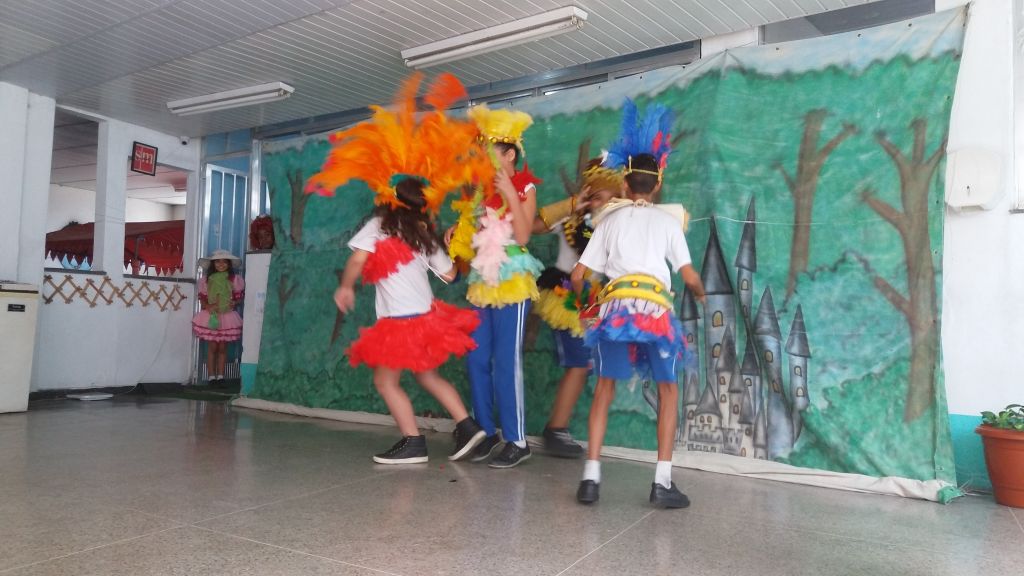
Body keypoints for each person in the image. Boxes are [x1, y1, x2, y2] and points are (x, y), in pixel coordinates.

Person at [306, 72, 494, 464]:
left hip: (399, 322)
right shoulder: (424, 235)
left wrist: (346, 287)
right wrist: (454, 247)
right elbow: (451, 276)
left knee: (385, 380)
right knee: (427, 374)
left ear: (390, 200)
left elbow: (357, 259)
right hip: (425, 318)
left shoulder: (379, 226)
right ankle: (469, 428)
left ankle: (413, 443)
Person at [571, 101, 706, 508]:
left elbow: (579, 275)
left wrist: (586, 305)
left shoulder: (609, 221)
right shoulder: (668, 222)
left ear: (626, 186)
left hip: (614, 312)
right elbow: (688, 275)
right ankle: (662, 483)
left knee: (604, 389)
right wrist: (700, 294)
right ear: (657, 184)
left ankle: (591, 478)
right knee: (668, 391)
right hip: (656, 313)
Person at [447, 104, 543, 468]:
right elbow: (472, 235)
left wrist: (510, 193)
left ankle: (517, 440)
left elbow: (523, 235)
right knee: (476, 357)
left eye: (490, 154)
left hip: (513, 279)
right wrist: (455, 234)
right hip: (482, 279)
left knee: (505, 361)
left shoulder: (525, 188)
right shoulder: (479, 193)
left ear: (509, 154)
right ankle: (485, 432)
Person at [532, 161, 624, 458]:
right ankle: (556, 429)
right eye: (597, 198)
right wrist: (571, 205)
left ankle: (557, 428)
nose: (603, 204)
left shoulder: (615, 228)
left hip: (593, 300)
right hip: (566, 299)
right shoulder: (570, 219)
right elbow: (533, 227)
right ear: (587, 196)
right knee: (579, 364)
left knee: (584, 365)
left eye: (611, 199)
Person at [192, 249, 244, 385]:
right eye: (217, 262)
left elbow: (238, 297)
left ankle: (220, 376)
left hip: (227, 317)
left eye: (224, 262)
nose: (221, 264)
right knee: (212, 347)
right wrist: (207, 306)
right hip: (212, 315)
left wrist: (235, 302)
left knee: (222, 348)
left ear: (229, 264)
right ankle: (211, 377)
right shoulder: (206, 280)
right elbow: (202, 298)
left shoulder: (234, 279)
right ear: (213, 264)